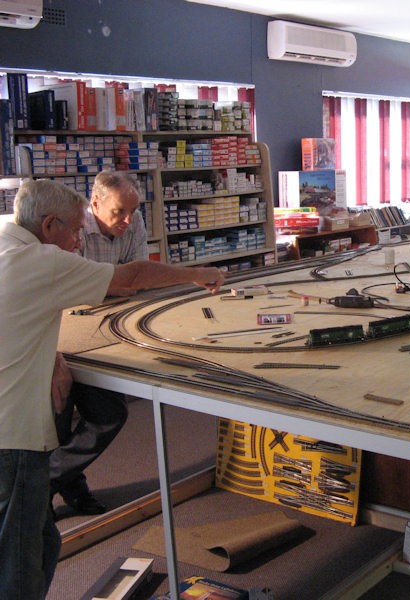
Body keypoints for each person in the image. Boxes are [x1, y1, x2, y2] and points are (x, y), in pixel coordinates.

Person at [0, 179, 224, 600]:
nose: (75, 242)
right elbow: (133, 276)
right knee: (19, 562)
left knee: (42, 542)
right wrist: (199, 274)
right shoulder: (42, 260)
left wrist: (48, 354)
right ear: (49, 226)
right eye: (71, 232)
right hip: (12, 438)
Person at [50, 171, 150, 515]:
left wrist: (110, 284)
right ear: (95, 205)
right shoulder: (72, 228)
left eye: (131, 212)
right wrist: (116, 283)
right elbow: (71, 287)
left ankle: (49, 481)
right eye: (118, 212)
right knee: (56, 421)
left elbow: (138, 276)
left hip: (104, 331)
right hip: (59, 334)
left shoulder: (134, 221)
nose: (126, 220)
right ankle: (64, 491)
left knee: (109, 413)